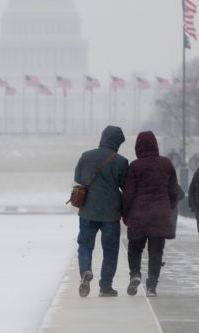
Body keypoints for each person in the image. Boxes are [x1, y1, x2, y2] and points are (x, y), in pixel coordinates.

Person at [121, 130, 180, 298]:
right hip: (160, 214)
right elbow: (174, 191)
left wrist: (125, 214)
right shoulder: (166, 164)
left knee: (135, 248)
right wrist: (170, 207)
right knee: (156, 252)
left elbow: (128, 193)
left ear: (138, 146)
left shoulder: (135, 166)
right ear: (155, 144)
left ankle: (135, 274)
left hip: (139, 214)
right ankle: (152, 286)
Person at [73, 125, 129, 298]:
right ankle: (105, 287)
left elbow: (78, 178)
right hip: (110, 213)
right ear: (117, 143)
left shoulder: (86, 155)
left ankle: (86, 271)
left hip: (88, 210)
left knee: (85, 245)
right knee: (110, 250)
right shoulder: (121, 161)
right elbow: (125, 185)